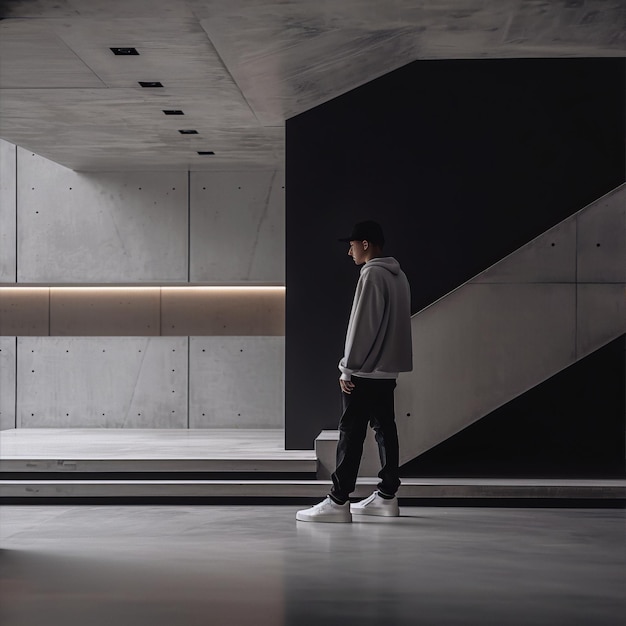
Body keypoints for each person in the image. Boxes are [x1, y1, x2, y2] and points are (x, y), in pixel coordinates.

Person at [296, 220, 413, 523]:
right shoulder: (399, 277)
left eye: (351, 245)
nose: (349, 252)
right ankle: (387, 496)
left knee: (351, 433)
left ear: (365, 244)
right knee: (386, 430)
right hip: (386, 371)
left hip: (364, 372)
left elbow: (362, 326)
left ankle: (338, 502)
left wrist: (348, 368)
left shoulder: (372, 274)